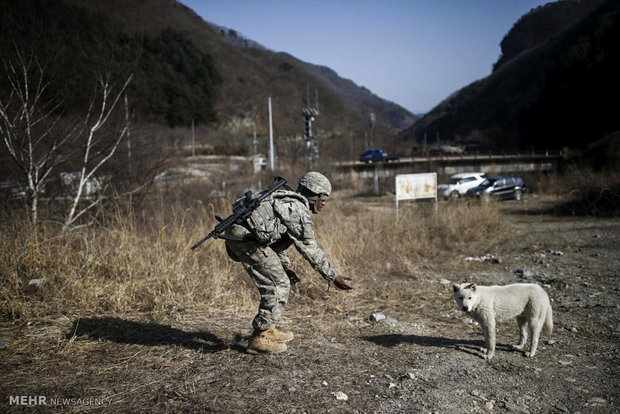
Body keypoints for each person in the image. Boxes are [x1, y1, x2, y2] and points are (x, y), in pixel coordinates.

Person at [225, 172, 353, 354]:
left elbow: (275, 239)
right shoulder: (297, 209)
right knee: (278, 285)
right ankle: (259, 338)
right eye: (323, 199)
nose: (323, 204)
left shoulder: (283, 200)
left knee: (280, 280)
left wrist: (287, 266)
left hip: (242, 236)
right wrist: (332, 276)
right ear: (314, 195)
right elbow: (310, 248)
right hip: (247, 241)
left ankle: (268, 328)